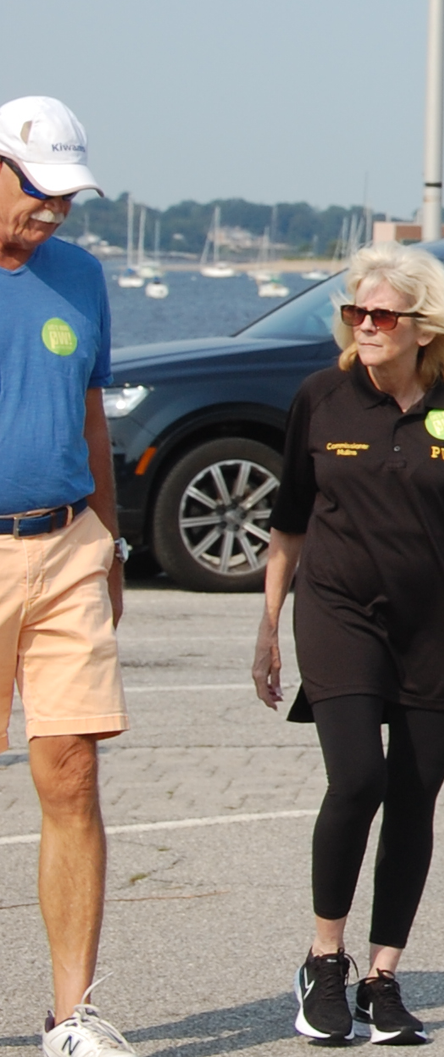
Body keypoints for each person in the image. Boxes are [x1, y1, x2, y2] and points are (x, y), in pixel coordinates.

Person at [250, 244, 444, 1045]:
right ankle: (324, 959)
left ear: (423, 327)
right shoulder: (322, 397)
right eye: (356, 312)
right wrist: (268, 626)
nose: (366, 326)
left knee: (414, 796)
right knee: (358, 778)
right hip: (339, 611)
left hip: (441, 625)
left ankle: (382, 975)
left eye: (383, 315)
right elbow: (289, 522)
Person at [0, 98, 138, 1057]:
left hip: (66, 544)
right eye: (38, 195)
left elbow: (93, 416)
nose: (54, 215)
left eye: (67, 198)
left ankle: (71, 1015)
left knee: (72, 771)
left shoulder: (81, 274)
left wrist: (112, 541)